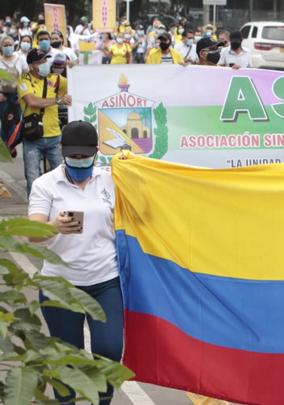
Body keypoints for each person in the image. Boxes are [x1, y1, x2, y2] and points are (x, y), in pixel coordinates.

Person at [28, 121, 124, 405]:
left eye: (85, 156)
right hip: (60, 286)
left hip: (106, 282)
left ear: (97, 152)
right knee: (67, 359)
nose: (79, 161)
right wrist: (54, 226)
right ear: (61, 151)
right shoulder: (45, 184)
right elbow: (30, 232)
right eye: (73, 156)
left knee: (108, 351)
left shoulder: (111, 180)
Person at [18, 49, 72, 195]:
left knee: (62, 177)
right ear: (31, 66)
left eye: (45, 61)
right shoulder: (24, 79)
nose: (44, 64)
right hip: (32, 136)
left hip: (54, 135)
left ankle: (60, 209)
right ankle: (35, 212)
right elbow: (31, 101)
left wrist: (72, 69)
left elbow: (77, 83)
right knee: (33, 178)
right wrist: (57, 100)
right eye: (40, 62)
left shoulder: (55, 79)